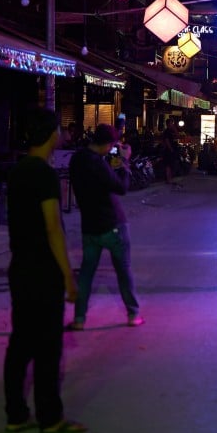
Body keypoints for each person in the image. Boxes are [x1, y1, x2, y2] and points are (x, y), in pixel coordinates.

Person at [4, 108, 86, 433]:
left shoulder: (18, 171)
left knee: (20, 343)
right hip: (43, 271)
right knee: (49, 347)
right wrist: (67, 274)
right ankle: (50, 417)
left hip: (19, 268)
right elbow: (53, 227)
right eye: (59, 132)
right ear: (51, 134)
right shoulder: (45, 175)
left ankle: (15, 414)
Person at [67, 124, 143, 329]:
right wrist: (125, 162)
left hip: (89, 226)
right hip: (112, 224)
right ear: (108, 145)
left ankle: (79, 319)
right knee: (123, 270)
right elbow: (121, 187)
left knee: (86, 273)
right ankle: (133, 314)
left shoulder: (78, 159)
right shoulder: (98, 164)